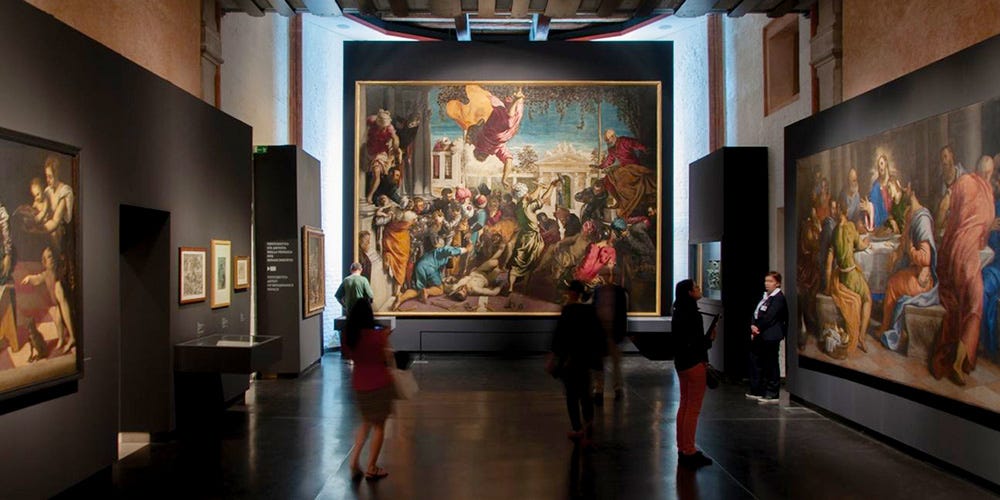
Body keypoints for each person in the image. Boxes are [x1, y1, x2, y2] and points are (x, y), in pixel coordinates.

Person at [933, 155, 996, 385]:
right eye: (989, 173)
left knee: (961, 303)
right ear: (985, 172)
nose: (989, 177)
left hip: (952, 250)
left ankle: (955, 358)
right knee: (975, 306)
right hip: (967, 254)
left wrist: (940, 230)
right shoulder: (984, 192)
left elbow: (945, 210)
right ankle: (958, 364)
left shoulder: (964, 182)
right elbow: (981, 239)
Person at [548, 280, 605, 448]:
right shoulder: (590, 310)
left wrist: (554, 356)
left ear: (572, 292)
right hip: (585, 358)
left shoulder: (568, 310)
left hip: (571, 359)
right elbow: (597, 334)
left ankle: (577, 428)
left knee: (572, 395)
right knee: (585, 393)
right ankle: (588, 428)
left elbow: (560, 336)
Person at [344, 299, 394, 481]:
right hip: (379, 384)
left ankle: (354, 461)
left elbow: (349, 356)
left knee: (365, 423)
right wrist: (386, 338)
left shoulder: (349, 337)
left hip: (359, 384)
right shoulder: (378, 336)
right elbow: (387, 358)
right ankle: (372, 467)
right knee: (379, 426)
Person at [671, 279, 716, 469]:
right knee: (693, 408)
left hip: (681, 363)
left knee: (684, 404)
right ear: (689, 293)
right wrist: (710, 339)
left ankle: (683, 447)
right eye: (696, 287)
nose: (699, 289)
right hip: (694, 363)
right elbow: (697, 343)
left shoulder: (678, 311)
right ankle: (689, 450)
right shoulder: (693, 315)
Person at [445, 85, 526, 188]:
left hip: (496, 129)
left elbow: (473, 129)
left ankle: (516, 98)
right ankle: (518, 95)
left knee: (508, 120)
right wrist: (504, 178)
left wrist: (504, 178)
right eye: (482, 158)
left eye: (480, 157)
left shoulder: (481, 144)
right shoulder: (495, 149)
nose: (483, 156)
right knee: (512, 116)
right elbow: (508, 160)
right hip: (502, 131)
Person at [596, 129, 657, 218]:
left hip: (633, 166)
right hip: (623, 168)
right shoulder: (611, 149)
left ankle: (627, 203)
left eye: (608, 140)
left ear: (613, 136)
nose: (608, 142)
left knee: (620, 177)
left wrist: (644, 148)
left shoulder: (624, 141)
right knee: (607, 180)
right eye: (606, 141)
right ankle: (619, 201)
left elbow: (635, 143)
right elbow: (610, 160)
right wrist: (601, 166)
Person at [748, 272, 788, 404]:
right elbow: (757, 312)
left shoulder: (778, 298)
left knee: (771, 362)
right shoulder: (766, 297)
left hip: (771, 335)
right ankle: (758, 389)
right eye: (766, 281)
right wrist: (753, 324)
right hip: (760, 334)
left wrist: (758, 327)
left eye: (770, 281)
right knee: (757, 360)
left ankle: (772, 392)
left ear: (777, 283)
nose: (767, 284)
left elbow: (770, 317)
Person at [592, 281, 628, 404]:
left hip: (614, 332)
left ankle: (617, 388)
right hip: (600, 332)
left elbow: (622, 314)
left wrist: (622, 333)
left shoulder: (619, 292)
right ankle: (599, 389)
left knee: (615, 363)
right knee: (599, 364)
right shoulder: (597, 291)